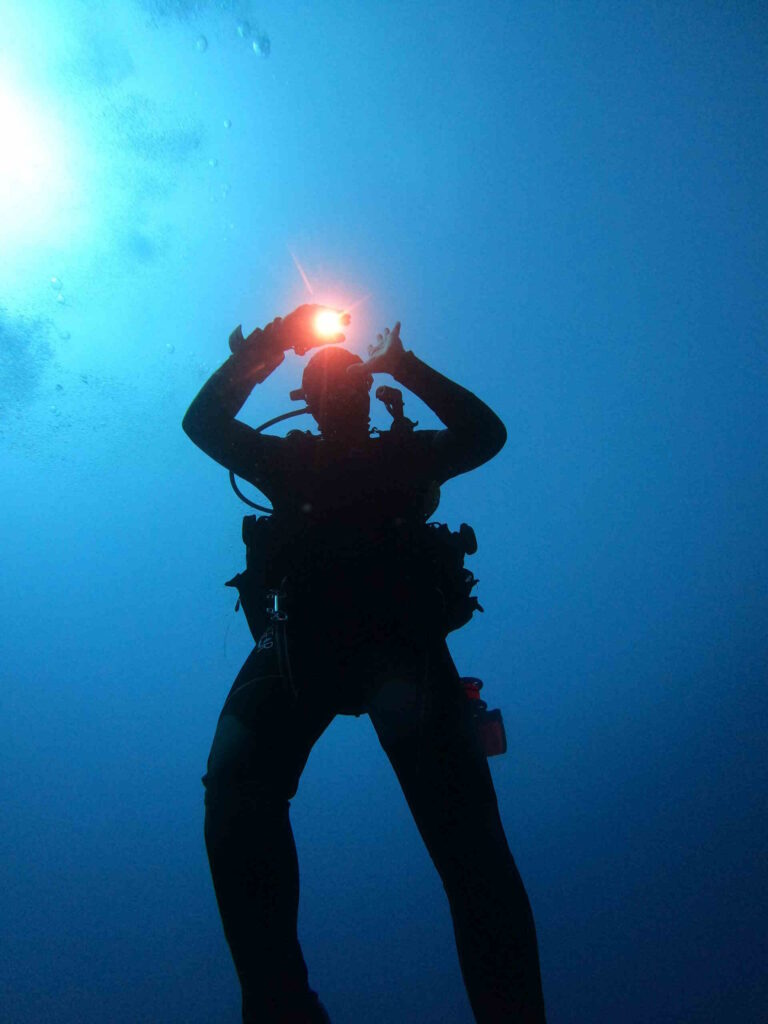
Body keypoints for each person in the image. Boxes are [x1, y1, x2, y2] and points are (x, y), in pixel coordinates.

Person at [182, 305, 547, 1024]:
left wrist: (404, 365)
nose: (341, 385)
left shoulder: (403, 457)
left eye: (351, 376)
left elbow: (486, 435)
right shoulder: (287, 462)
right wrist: (273, 346)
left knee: (471, 847)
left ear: (372, 394)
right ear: (309, 402)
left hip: (399, 649)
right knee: (232, 789)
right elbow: (203, 425)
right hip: (298, 650)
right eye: (327, 378)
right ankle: (279, 1003)